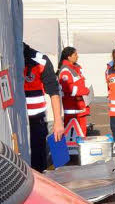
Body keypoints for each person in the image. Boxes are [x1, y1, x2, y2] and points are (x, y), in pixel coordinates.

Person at [23, 42, 64, 172]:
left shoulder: (40, 59)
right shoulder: (5, 57)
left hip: (36, 120)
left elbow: (54, 92)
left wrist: (58, 122)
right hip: (14, 122)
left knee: (38, 163)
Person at [57, 46, 90, 138]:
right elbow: (67, 88)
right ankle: (72, 151)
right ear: (69, 57)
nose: (77, 56)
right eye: (75, 54)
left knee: (81, 133)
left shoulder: (75, 68)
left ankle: (78, 150)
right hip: (72, 108)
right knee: (72, 134)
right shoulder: (65, 71)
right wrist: (84, 91)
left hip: (79, 107)